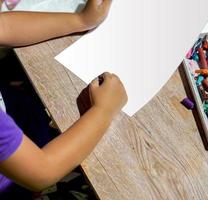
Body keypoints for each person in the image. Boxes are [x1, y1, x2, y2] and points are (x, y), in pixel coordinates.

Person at [0, 0, 128, 197]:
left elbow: (4, 27)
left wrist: (81, 20)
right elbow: (42, 172)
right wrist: (103, 111)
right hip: (16, 178)